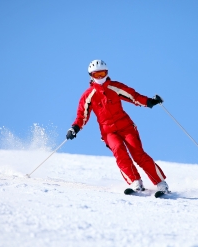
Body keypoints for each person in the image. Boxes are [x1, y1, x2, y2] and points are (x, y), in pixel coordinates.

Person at [66, 59, 170, 193]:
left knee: (138, 154)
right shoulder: (88, 95)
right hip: (108, 132)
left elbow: (133, 96)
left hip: (126, 127)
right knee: (119, 151)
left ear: (107, 73)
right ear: (91, 76)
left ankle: (161, 183)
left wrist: (149, 102)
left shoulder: (115, 87)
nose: (100, 77)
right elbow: (82, 116)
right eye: (96, 75)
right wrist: (74, 128)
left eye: (102, 74)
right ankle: (135, 182)